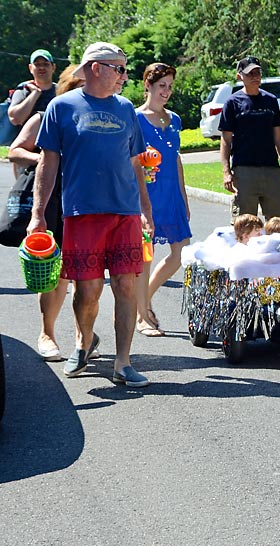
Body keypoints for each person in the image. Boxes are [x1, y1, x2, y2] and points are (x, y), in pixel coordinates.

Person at [27, 41, 154, 388]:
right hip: (82, 214)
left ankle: (123, 363)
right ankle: (85, 341)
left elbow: (135, 162)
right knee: (88, 291)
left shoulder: (127, 109)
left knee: (126, 286)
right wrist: (38, 214)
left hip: (124, 212)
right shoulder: (61, 107)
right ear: (96, 68)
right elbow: (47, 162)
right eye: (120, 69)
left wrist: (145, 209)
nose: (125, 77)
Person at [8, 65, 83, 362]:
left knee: (84, 275)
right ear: (67, 87)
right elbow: (14, 150)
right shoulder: (45, 116)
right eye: (79, 85)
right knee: (54, 272)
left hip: (84, 200)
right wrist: (46, 157)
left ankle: (83, 334)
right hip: (53, 198)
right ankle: (47, 333)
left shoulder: (94, 116)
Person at [134, 62, 192, 337]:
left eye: (170, 86)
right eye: (161, 86)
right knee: (145, 256)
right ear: (147, 86)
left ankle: (143, 301)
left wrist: (184, 196)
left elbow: (177, 160)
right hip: (146, 195)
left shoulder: (175, 119)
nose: (166, 91)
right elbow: (127, 158)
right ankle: (142, 316)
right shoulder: (134, 119)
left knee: (180, 252)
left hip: (172, 195)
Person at [219, 56, 280, 222]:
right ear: (240, 76)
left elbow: (279, 137)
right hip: (244, 171)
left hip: (271, 170)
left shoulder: (270, 100)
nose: (255, 76)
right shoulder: (232, 103)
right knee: (245, 226)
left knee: (279, 224)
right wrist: (227, 172)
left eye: (257, 72)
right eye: (250, 73)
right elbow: (226, 140)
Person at [7, 49, 57, 127]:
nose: (41, 68)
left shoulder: (62, 90)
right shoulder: (23, 90)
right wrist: (34, 94)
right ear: (30, 68)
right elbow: (15, 119)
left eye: (46, 64)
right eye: (37, 64)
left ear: (53, 67)